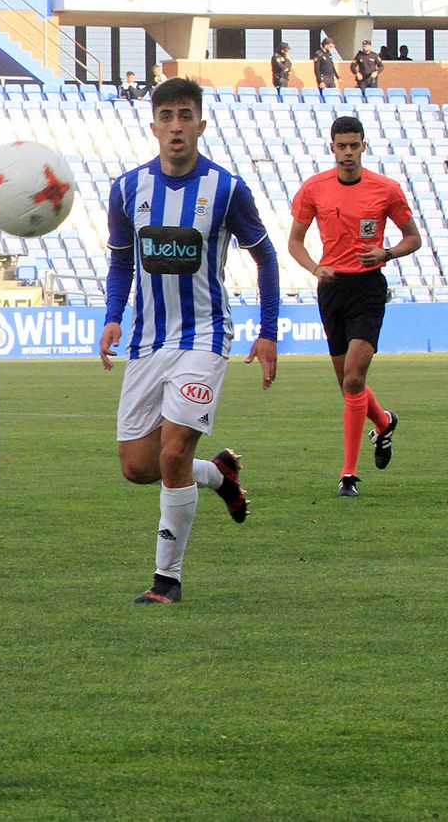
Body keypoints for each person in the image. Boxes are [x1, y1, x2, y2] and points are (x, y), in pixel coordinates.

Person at [98, 77, 280, 605]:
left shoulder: (226, 189)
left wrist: (268, 332)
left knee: (174, 452)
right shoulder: (127, 190)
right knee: (137, 466)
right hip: (147, 342)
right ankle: (219, 475)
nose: (176, 126)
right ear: (153, 124)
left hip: (205, 337)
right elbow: (118, 260)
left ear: (201, 123)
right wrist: (114, 316)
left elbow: (265, 258)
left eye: (185, 115)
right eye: (166, 116)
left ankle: (166, 581)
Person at [286, 115, 421, 497]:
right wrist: (315, 268)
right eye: (341, 146)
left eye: (353, 145)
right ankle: (384, 422)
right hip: (331, 289)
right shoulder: (314, 189)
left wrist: (388, 252)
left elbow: (413, 238)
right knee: (347, 385)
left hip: (368, 287)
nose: (347, 152)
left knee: (354, 379)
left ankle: (348, 474)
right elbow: (295, 241)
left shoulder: (386, 189)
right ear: (331, 147)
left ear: (364, 146)